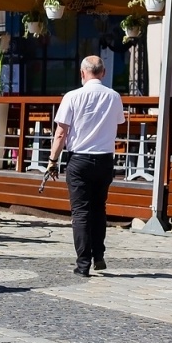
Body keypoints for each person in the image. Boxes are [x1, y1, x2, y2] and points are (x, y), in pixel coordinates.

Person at [50, 55, 125, 277]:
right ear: (103, 73)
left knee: (81, 211)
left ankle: (83, 263)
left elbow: (61, 133)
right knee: (98, 208)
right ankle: (99, 254)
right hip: (104, 158)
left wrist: (52, 160)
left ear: (83, 73)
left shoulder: (72, 97)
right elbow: (118, 123)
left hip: (79, 158)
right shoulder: (114, 96)